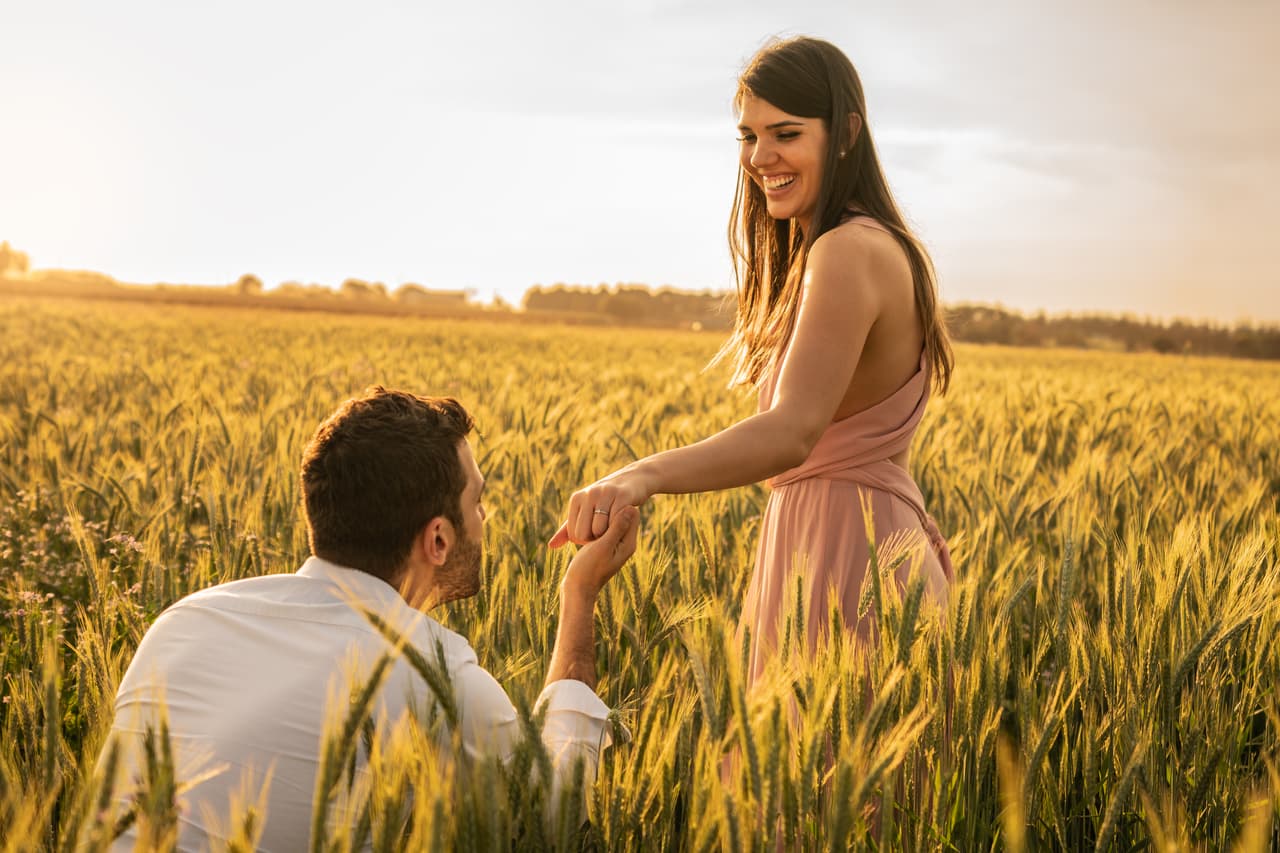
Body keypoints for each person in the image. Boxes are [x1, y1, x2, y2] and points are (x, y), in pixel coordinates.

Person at [550, 37, 954, 681]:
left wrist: (640, 476)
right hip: (857, 546)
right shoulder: (860, 248)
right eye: (748, 136)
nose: (760, 157)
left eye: (786, 134)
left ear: (846, 134)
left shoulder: (846, 251)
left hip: (848, 560)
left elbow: (792, 432)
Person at [97, 388, 639, 850]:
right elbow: (554, 817)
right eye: (477, 501)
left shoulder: (183, 621)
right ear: (438, 539)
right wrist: (580, 594)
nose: (484, 517)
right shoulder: (433, 674)